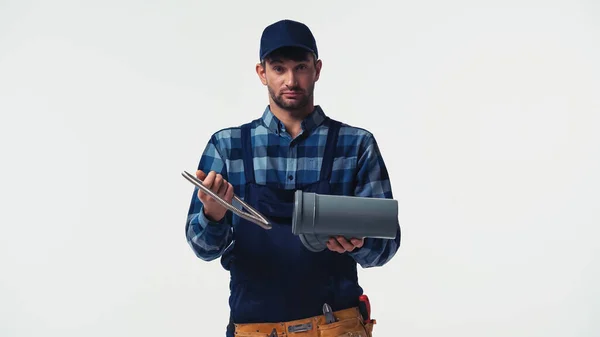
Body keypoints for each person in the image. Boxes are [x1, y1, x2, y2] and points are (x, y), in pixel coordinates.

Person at [185, 19, 401, 337]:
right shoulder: (228, 146)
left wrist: (360, 243)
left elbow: (386, 246)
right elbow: (202, 247)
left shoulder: (356, 144)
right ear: (262, 73)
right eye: (279, 68)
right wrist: (212, 215)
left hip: (336, 328)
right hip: (256, 330)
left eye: (300, 67)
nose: (291, 79)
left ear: (317, 69)